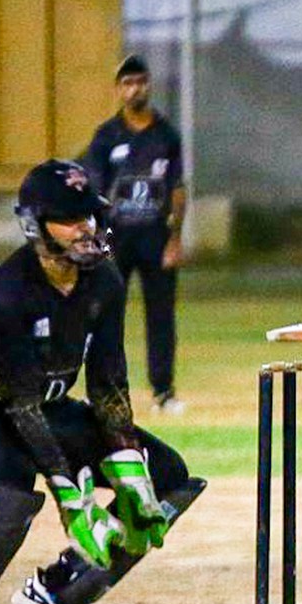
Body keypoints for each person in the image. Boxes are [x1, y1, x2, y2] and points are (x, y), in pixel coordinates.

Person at [0, 159, 205, 604]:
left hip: (43, 404)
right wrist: (71, 499)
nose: (86, 228)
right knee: (9, 483)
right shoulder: (6, 293)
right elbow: (20, 404)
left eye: (88, 215)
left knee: (165, 474)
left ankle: (64, 592)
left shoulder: (104, 281)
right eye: (70, 219)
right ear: (35, 225)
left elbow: (108, 383)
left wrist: (130, 465)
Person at [82, 54, 188, 414]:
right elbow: (94, 191)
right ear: (118, 89)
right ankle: (102, 391)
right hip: (116, 236)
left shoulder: (166, 135)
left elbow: (177, 188)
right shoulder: (107, 136)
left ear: (149, 85)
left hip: (156, 236)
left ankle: (164, 392)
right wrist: (99, 241)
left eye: (140, 82)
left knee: (161, 316)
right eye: (127, 83)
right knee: (105, 315)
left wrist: (175, 239)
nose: (135, 89)